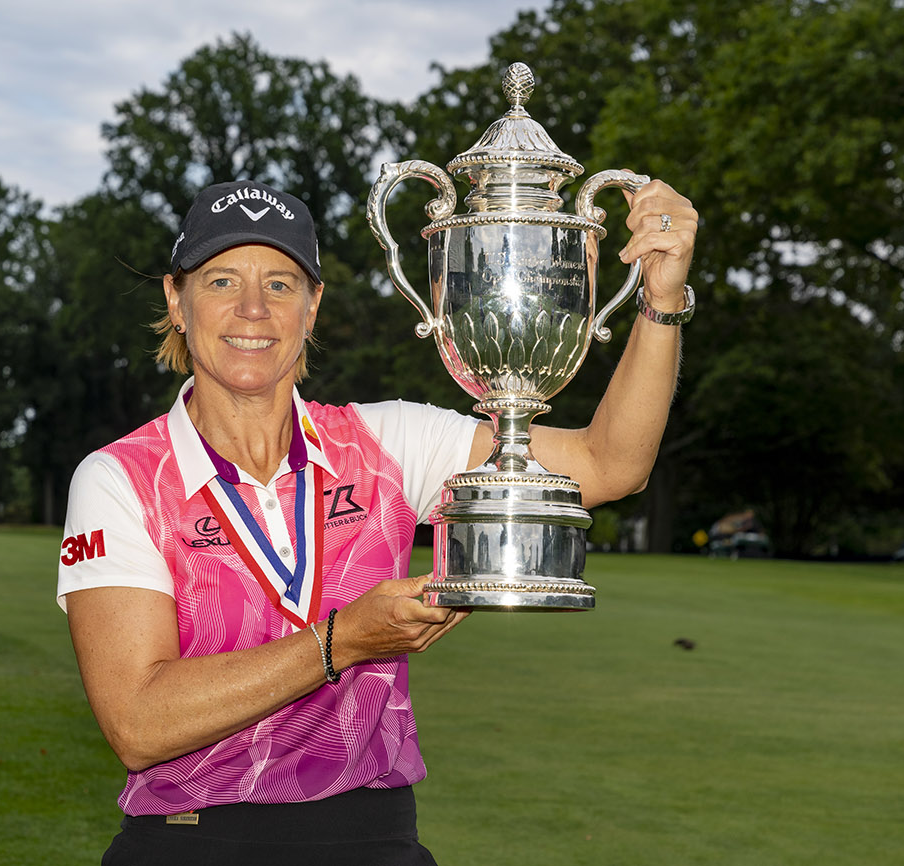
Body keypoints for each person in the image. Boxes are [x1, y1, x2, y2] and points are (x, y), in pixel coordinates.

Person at [59, 178, 697, 865]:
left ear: (313, 308)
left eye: (279, 284)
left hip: (372, 840)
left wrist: (661, 303)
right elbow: (138, 722)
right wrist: (342, 641)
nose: (251, 308)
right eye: (220, 281)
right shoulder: (120, 478)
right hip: (191, 843)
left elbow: (605, 464)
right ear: (175, 300)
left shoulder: (386, 443)